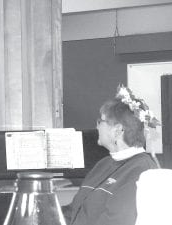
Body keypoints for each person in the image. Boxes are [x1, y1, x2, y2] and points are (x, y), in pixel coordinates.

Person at [62, 85, 160, 225]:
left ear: (117, 131)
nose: (97, 126)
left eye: (100, 122)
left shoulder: (142, 171)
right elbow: (73, 211)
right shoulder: (103, 163)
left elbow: (116, 221)